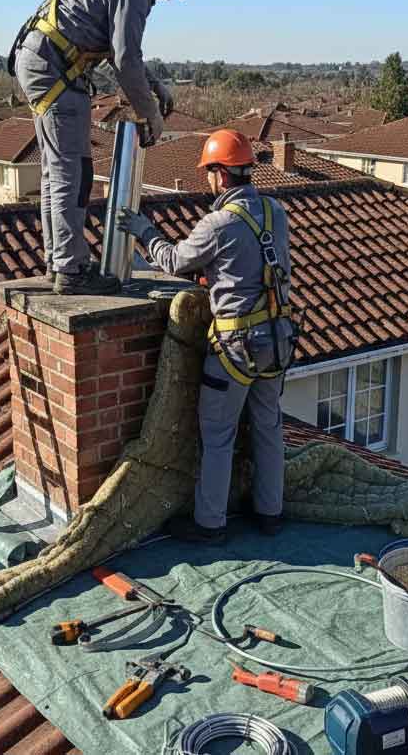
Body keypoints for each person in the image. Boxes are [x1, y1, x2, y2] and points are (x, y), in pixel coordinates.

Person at [117, 130, 296, 544]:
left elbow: (175, 260)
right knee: (269, 428)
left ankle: (209, 523)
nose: (207, 181)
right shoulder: (275, 211)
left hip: (236, 346)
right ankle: (271, 513)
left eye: (209, 173)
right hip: (277, 338)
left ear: (219, 173)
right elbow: (252, 266)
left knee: (218, 436)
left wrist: (145, 231)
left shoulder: (219, 223)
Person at [8, 0, 202, 295]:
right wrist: (152, 116)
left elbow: (120, 53)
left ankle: (59, 262)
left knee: (58, 170)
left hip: (42, 61)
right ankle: (70, 269)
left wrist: (155, 85)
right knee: (74, 171)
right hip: (54, 68)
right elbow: (126, 61)